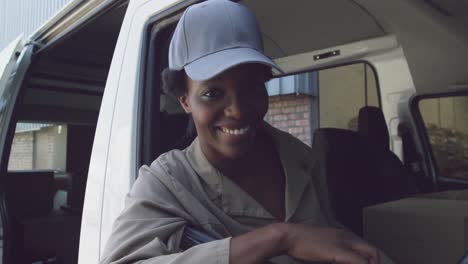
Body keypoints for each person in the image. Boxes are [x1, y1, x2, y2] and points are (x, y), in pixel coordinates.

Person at [100, 1, 393, 263]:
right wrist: (281, 238)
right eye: (213, 93)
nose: (238, 110)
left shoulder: (300, 160)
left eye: (252, 86)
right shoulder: (166, 183)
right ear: (185, 101)